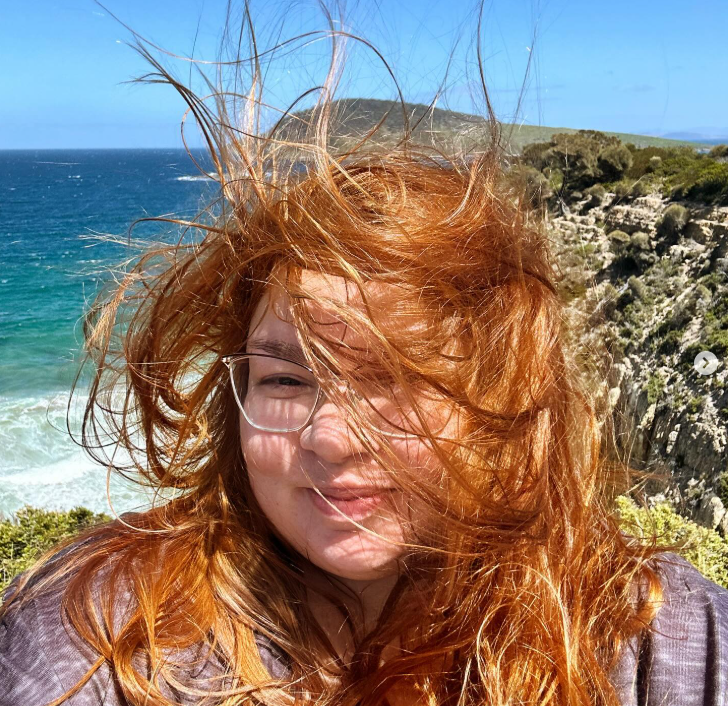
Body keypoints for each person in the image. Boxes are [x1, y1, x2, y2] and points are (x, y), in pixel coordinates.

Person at [1, 3, 727, 705]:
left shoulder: (648, 635)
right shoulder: (104, 625)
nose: (332, 439)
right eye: (285, 377)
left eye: (401, 380)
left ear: (502, 400)